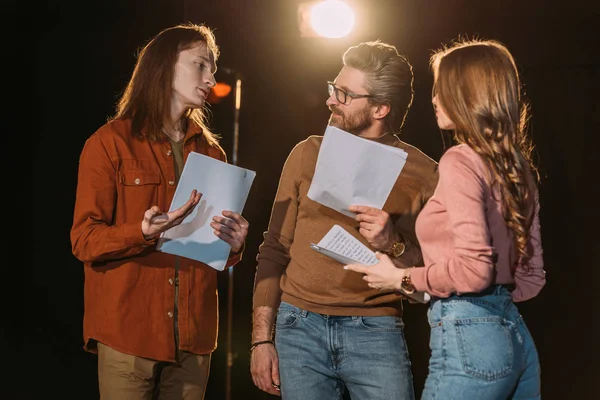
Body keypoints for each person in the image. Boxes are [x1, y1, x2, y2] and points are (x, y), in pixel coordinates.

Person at [345, 38, 546, 399]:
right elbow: (529, 279)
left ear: (468, 93)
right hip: (515, 338)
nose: (434, 98)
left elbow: (474, 270)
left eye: (441, 87)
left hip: (470, 337)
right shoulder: (518, 167)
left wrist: (400, 276)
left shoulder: (460, 160)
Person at [250, 40, 439, 399]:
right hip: (298, 326)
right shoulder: (307, 153)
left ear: (381, 107)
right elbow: (273, 249)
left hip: (375, 331)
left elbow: (426, 281)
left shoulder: (423, 173)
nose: (330, 99)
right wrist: (262, 338)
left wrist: (392, 242)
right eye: (332, 88)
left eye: (344, 94)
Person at [70, 23, 249, 400]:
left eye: (213, 68)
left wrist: (233, 245)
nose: (210, 77)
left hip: (194, 338)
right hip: (129, 334)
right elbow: (84, 241)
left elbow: (214, 253)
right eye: (201, 64)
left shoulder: (213, 153)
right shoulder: (108, 144)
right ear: (166, 66)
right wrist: (143, 232)